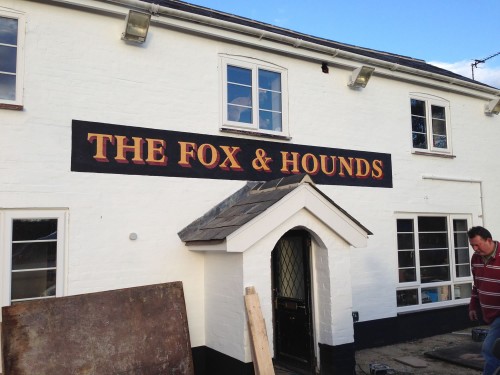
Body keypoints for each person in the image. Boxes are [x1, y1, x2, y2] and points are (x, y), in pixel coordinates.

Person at [468, 226, 500, 375]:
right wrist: (473, 306)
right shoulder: (476, 258)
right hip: (490, 315)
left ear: (488, 240)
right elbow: (477, 284)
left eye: (477, 244)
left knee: (489, 349)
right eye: (472, 245)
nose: (475, 248)